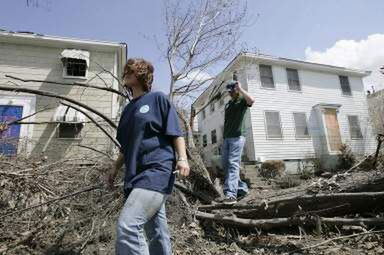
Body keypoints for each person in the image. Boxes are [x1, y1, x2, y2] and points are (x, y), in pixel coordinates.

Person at [107, 58, 190, 255]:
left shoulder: (157, 99)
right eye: (125, 70)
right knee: (157, 233)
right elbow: (125, 148)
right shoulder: (127, 110)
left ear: (143, 75)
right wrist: (114, 169)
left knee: (128, 226)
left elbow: (176, 133)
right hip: (135, 177)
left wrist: (182, 158)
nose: (126, 73)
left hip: (156, 170)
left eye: (132, 70)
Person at [222, 79, 254, 205]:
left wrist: (240, 89)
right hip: (226, 138)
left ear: (236, 90)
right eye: (228, 92)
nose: (230, 93)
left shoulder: (242, 101)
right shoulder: (228, 104)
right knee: (225, 164)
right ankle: (242, 188)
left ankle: (231, 195)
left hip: (237, 137)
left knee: (233, 163)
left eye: (231, 91)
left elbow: (251, 100)